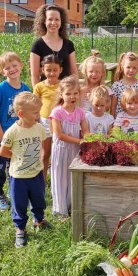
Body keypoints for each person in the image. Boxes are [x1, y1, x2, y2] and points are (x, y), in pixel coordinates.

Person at [0, 92, 52, 248]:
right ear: (21, 114)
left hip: (36, 174)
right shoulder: (13, 132)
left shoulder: (39, 128)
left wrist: (40, 160)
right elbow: (3, 151)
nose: (38, 115)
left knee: (39, 200)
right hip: (19, 177)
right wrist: (18, 156)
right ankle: (20, 229)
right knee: (19, 204)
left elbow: (42, 146)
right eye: (35, 112)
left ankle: (39, 220)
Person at [0, 52, 30, 212]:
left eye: (14, 66)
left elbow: (28, 109)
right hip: (3, 133)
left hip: (18, 134)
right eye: (7, 68)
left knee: (16, 162)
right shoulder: (0, 89)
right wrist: (0, 132)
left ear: (21, 66)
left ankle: (14, 190)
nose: (12, 69)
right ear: (2, 72)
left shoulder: (25, 88)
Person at [49, 75, 88, 218]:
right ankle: (61, 210)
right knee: (60, 178)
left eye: (75, 93)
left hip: (74, 151)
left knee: (72, 177)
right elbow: (59, 135)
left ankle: (72, 205)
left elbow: (86, 130)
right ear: (61, 95)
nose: (72, 96)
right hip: (61, 150)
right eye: (68, 93)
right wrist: (79, 141)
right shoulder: (57, 112)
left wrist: (88, 139)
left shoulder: (80, 112)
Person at [30, 4, 78, 87]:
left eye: (57, 19)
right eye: (50, 19)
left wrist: (76, 89)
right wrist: (37, 96)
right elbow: (35, 75)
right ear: (44, 21)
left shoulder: (69, 44)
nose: (53, 23)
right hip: (46, 93)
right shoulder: (37, 45)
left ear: (61, 22)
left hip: (66, 92)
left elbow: (74, 71)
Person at [33, 54, 63, 180]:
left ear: (60, 70)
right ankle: (42, 180)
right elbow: (34, 104)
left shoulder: (63, 85)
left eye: (55, 70)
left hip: (60, 122)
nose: (51, 73)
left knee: (58, 152)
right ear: (43, 70)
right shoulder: (39, 86)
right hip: (44, 122)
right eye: (48, 70)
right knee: (45, 153)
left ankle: (59, 179)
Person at [110, 52, 138, 118]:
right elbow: (113, 107)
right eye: (128, 67)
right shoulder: (116, 86)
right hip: (120, 122)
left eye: (134, 68)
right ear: (122, 67)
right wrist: (112, 122)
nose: (131, 70)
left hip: (137, 123)